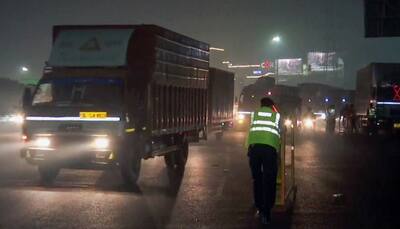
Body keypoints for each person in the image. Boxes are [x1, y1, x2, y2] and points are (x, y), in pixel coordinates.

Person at [246, 97, 281, 225]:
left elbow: (250, 131)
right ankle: (267, 211)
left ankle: (259, 207)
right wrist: (278, 153)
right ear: (272, 106)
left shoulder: (254, 114)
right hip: (269, 150)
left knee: (257, 179)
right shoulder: (276, 116)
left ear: (261, 105)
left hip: (255, 149)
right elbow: (279, 133)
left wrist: (249, 149)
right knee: (270, 179)